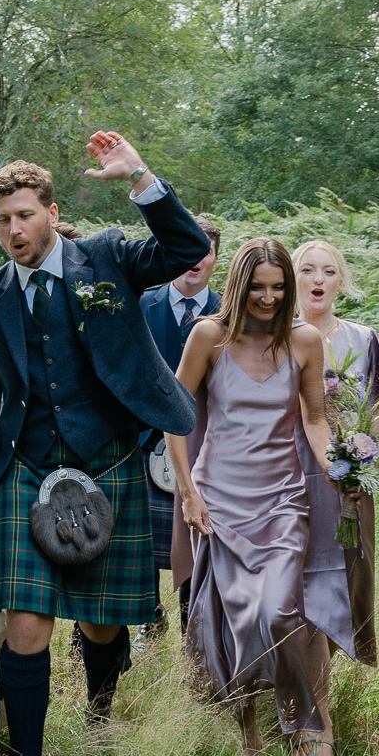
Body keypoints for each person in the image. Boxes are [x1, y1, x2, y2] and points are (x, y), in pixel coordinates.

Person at [0, 133, 210, 756]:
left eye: (25, 215)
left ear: (52, 210)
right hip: (26, 469)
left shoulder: (106, 256)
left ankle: (100, 706)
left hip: (107, 465)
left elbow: (184, 250)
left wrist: (139, 177)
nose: (15, 230)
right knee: (27, 628)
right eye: (2, 220)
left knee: (102, 624)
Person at [168, 239, 351, 756]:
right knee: (236, 626)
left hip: (281, 502)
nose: (268, 298)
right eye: (258, 287)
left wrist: (341, 468)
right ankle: (249, 743)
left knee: (278, 612)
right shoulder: (209, 337)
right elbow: (175, 419)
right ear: (239, 285)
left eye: (278, 288)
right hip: (218, 502)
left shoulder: (304, 341)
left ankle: (302, 724)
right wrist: (188, 493)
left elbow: (315, 420)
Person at [291, 238, 379, 683]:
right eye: (308, 270)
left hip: (347, 480)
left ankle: (319, 682)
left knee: (347, 577)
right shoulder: (275, 335)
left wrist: (360, 449)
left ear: (341, 280)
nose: (318, 279)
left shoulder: (362, 338)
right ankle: (300, 685)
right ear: (293, 277)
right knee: (296, 577)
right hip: (291, 473)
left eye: (328, 271)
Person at [138, 226, 223, 610]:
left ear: (216, 260)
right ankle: (147, 622)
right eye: (185, 249)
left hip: (206, 447)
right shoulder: (139, 303)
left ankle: (195, 621)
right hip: (139, 442)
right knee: (137, 544)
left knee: (198, 539)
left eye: (205, 252)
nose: (195, 260)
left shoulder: (229, 312)